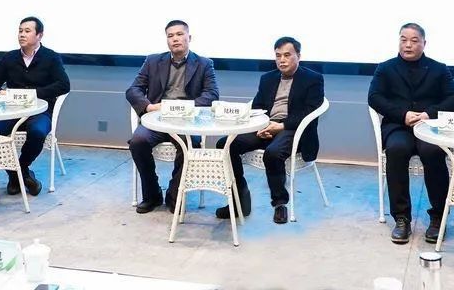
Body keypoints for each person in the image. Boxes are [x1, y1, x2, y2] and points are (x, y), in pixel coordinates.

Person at [368, 22, 454, 244]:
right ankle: (402, 219)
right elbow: (374, 97)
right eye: (403, 40)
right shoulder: (385, 68)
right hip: (398, 125)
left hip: (429, 127)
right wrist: (402, 114)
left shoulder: (439, 69)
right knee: (396, 150)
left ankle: (438, 217)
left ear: (424, 43)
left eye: (414, 40)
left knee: (432, 152)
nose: (408, 45)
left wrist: (429, 114)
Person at [214, 36, 324, 224]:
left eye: (287, 55)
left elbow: (310, 111)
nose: (282, 60)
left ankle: (280, 204)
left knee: (273, 153)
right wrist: (261, 126)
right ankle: (239, 200)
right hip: (267, 125)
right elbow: (258, 106)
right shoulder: (267, 78)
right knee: (226, 144)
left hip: (293, 129)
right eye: (278, 56)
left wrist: (281, 126)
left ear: (298, 56)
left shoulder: (313, 79)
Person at [127, 19, 219, 213]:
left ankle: (175, 195)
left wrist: (185, 108)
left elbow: (212, 95)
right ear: (167, 40)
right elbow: (133, 90)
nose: (175, 39)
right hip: (157, 120)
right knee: (137, 141)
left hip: (187, 122)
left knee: (190, 145)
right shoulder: (153, 61)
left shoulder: (204, 64)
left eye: (179, 34)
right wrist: (148, 106)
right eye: (170, 36)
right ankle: (152, 195)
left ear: (189, 37)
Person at [0, 16, 71, 196]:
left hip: (40, 111)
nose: (22, 34)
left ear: (39, 35)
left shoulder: (50, 57)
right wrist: (1, 92)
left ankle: (19, 171)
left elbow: (64, 85)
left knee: (37, 132)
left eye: (27, 31)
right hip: (12, 111)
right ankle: (19, 175)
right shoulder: (10, 57)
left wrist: (33, 94)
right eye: (20, 31)